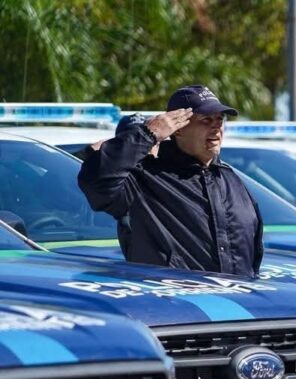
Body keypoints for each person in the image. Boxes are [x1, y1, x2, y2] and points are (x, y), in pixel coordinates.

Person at [78, 85, 264, 277]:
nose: (216, 126)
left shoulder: (230, 179)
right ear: (178, 129)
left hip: (232, 302)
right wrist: (148, 134)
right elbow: (96, 183)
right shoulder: (146, 177)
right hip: (172, 303)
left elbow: (251, 254)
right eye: (206, 119)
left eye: (220, 119)